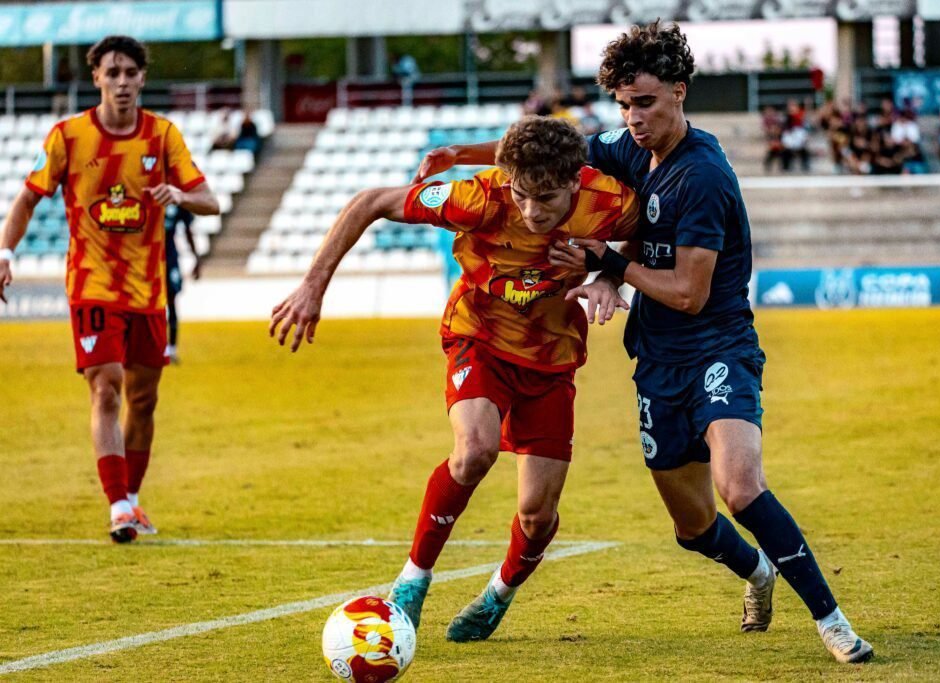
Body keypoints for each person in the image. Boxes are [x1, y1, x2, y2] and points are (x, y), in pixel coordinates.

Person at [411, 21, 874, 665]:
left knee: (739, 487)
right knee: (693, 527)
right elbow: (551, 149)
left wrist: (607, 266)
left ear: (681, 93)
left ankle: (834, 623)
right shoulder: (630, 148)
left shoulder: (703, 177)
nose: (633, 117)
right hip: (655, 360)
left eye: (646, 102)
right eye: (625, 103)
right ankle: (757, 573)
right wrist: (460, 154)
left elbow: (688, 292)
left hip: (717, 346)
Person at [269, 116, 638, 642]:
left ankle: (498, 595)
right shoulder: (477, 197)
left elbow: (650, 235)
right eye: (522, 194)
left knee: (536, 516)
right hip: (478, 337)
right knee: (474, 451)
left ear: (576, 180)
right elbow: (371, 201)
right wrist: (312, 285)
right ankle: (411, 582)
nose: (532, 211)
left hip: (552, 359)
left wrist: (606, 275)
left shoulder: (609, 201)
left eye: (548, 198)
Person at [0, 35, 220, 543]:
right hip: (91, 285)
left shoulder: (162, 136)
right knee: (106, 386)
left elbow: (209, 200)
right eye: (111, 72)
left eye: (130, 72)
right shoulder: (68, 137)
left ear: (143, 78)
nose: (121, 82)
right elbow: (26, 200)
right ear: (96, 77)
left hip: (148, 293)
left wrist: (180, 193)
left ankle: (134, 500)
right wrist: (6, 253)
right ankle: (118, 505)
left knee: (143, 400)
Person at [164, 204, 202, 363]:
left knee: (171, 300)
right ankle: (153, 348)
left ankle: (171, 349)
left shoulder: (176, 199)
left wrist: (196, 258)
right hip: (145, 257)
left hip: (169, 257)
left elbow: (187, 230)